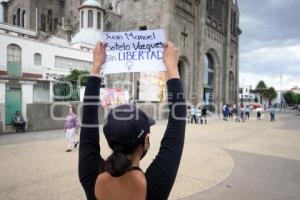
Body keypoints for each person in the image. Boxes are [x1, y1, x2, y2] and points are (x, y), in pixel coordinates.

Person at [79, 42, 186, 200]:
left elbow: (88, 117)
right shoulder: (155, 187)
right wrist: (172, 67)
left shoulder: (90, 177)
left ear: (109, 141)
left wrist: (96, 67)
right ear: (146, 141)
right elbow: (177, 124)